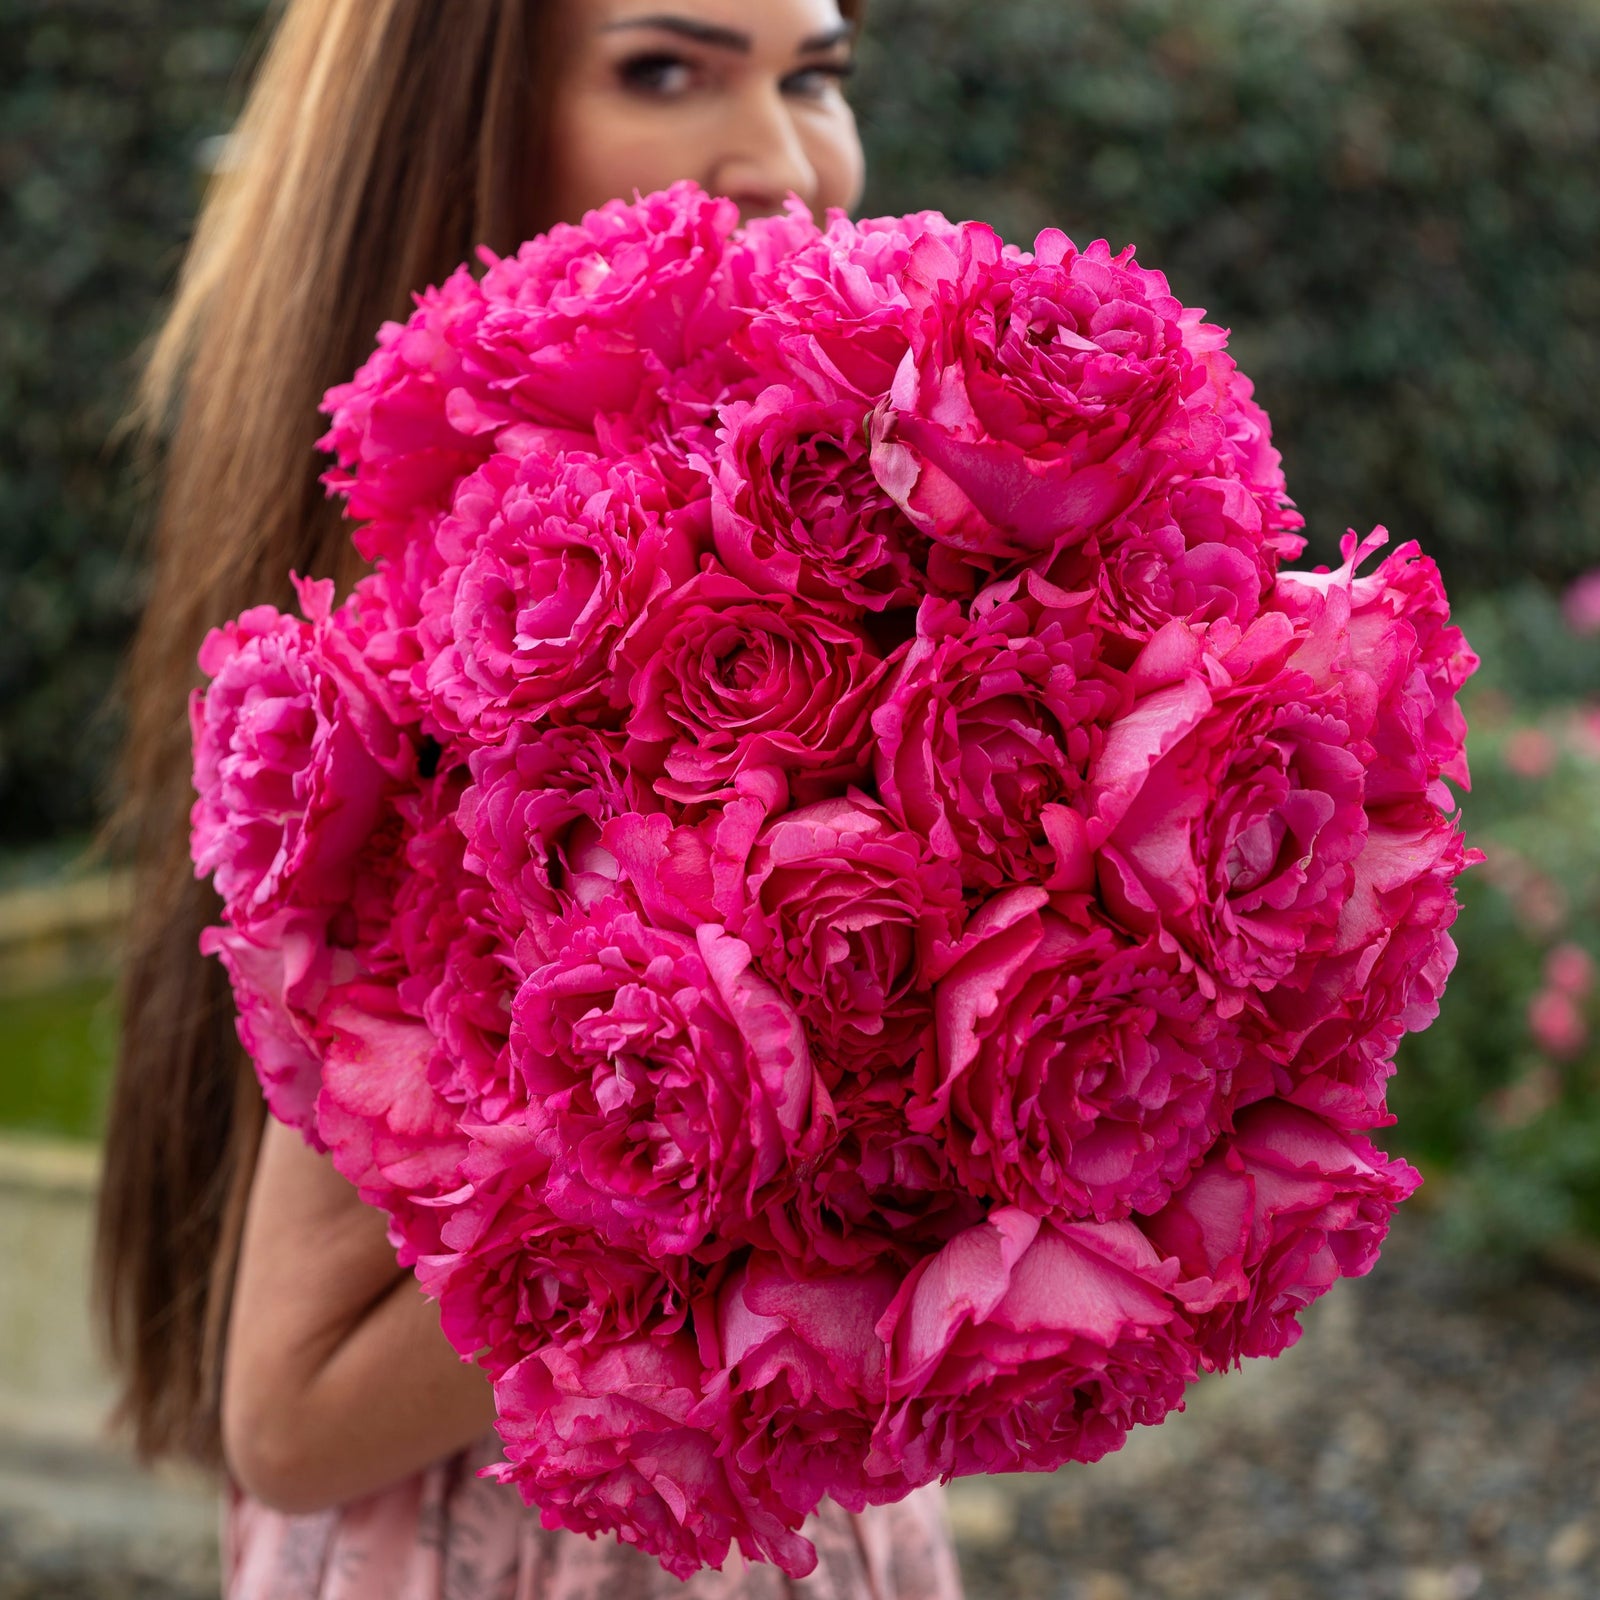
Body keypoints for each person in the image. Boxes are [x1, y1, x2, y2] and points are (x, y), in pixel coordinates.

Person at [93, 1, 966, 1595]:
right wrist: (764, 1139)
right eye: (666, 69)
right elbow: (287, 1418)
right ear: (467, 132)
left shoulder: (816, 548)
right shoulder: (462, 661)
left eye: (815, 76)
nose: (787, 160)